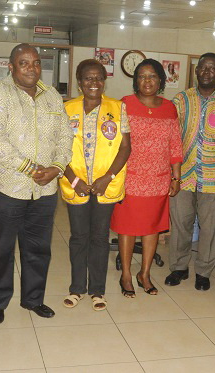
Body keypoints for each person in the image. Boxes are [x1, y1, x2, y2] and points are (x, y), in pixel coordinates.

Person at [0, 43, 73, 323]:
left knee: (39, 248)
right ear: (11, 66)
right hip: (7, 187)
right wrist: (32, 169)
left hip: (45, 189)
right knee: (2, 249)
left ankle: (33, 299)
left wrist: (56, 167)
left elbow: (66, 137)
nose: (31, 68)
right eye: (24, 63)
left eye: (35, 63)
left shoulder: (52, 96)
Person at [167, 52, 215, 291]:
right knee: (180, 223)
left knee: (210, 227)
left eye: (212, 69)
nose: (207, 72)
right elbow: (170, 139)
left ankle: (203, 271)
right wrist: (171, 174)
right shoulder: (180, 100)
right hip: (182, 175)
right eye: (203, 68)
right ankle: (179, 267)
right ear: (196, 70)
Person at [60, 59, 131, 310]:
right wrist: (74, 179)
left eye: (99, 78)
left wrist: (107, 178)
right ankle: (77, 288)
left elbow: (125, 148)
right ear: (79, 82)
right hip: (75, 183)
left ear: (104, 81)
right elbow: (56, 150)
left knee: (100, 238)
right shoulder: (66, 109)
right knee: (79, 237)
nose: (94, 83)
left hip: (106, 185)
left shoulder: (117, 108)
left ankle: (97, 291)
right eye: (88, 78)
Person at [111, 59, 182, 297]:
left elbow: (175, 143)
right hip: (130, 177)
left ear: (161, 81)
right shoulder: (124, 104)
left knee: (152, 228)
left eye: (152, 76)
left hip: (158, 179)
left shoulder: (169, 108)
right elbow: (114, 143)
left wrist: (176, 175)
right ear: (135, 81)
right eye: (142, 76)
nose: (147, 81)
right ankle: (126, 275)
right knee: (127, 228)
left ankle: (145, 273)